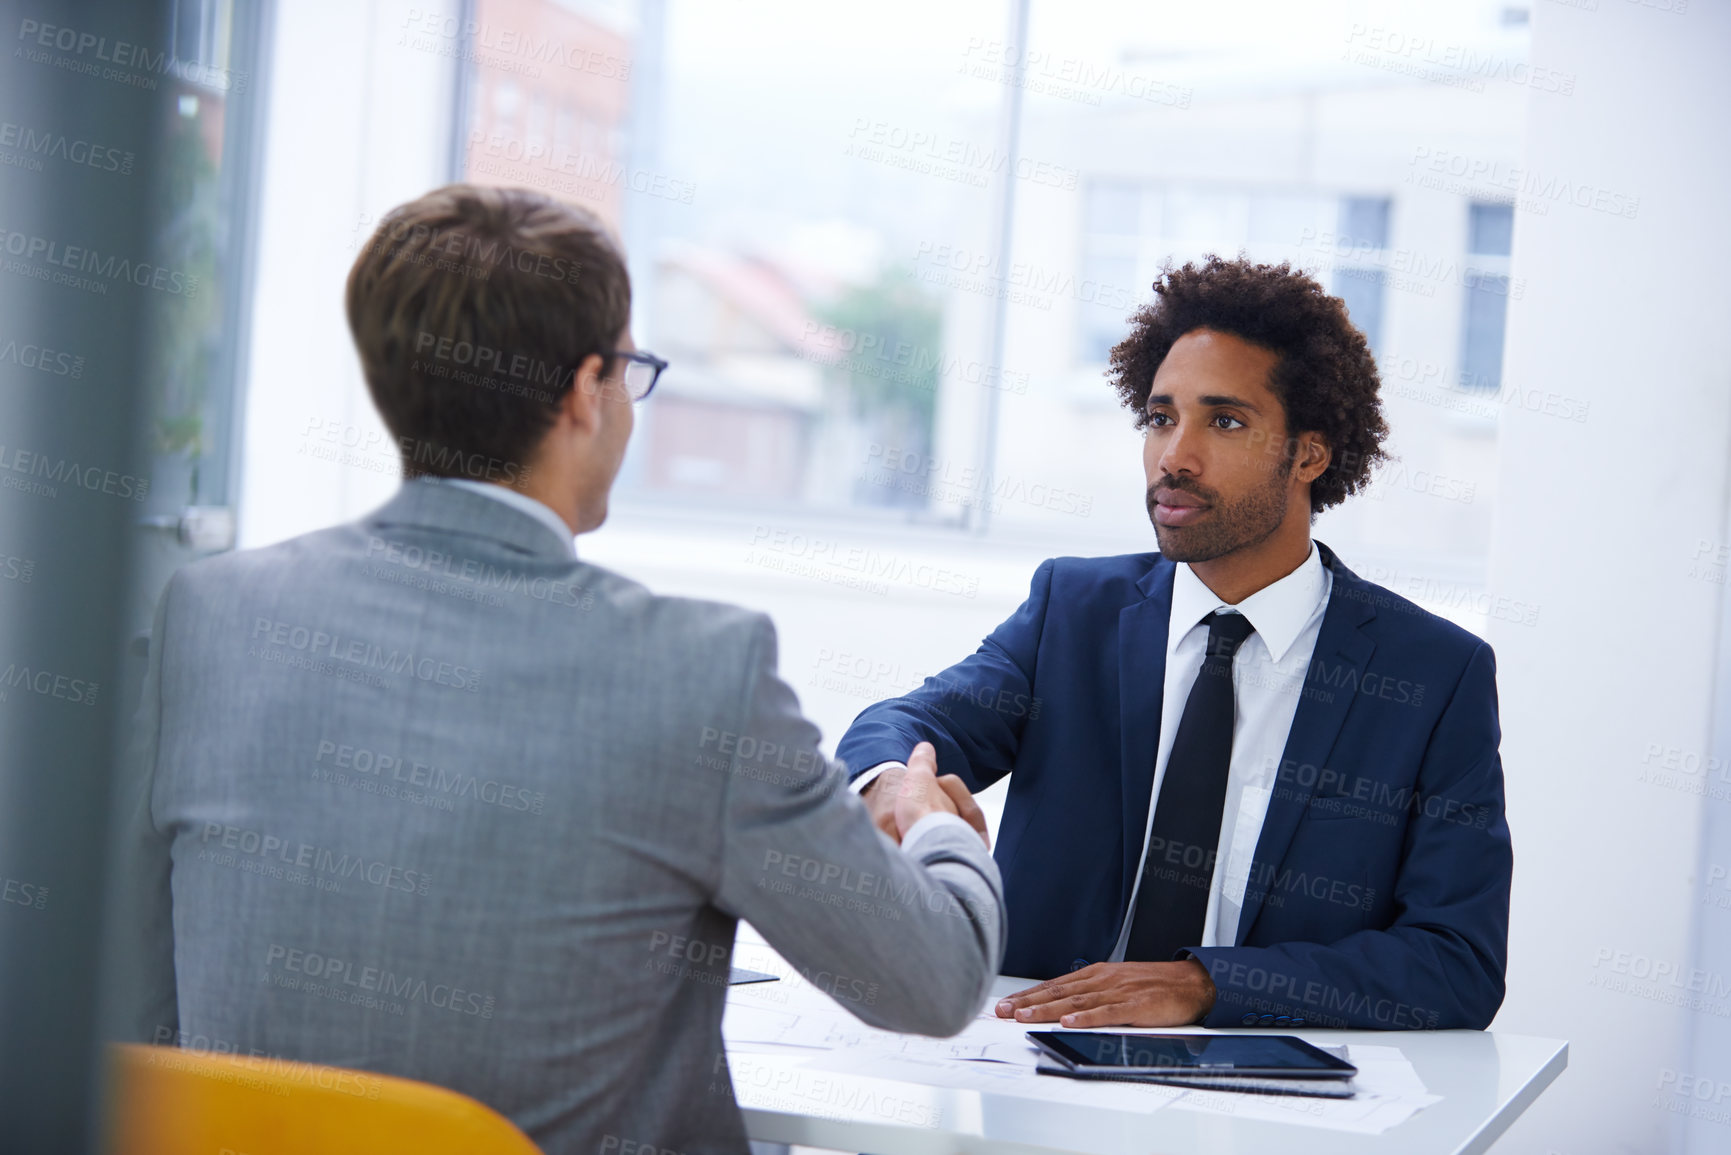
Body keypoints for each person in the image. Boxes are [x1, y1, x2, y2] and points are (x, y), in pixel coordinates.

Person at [105, 184, 1004, 1154]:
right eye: (631, 371)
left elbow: (133, 1002)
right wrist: (927, 827)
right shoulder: (701, 672)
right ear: (585, 390)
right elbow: (935, 982)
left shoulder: (206, 617)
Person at [838, 255, 1510, 1033]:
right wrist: (887, 780)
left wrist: (1209, 985)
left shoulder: (1431, 674)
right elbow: (911, 724)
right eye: (1159, 417)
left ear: (1308, 454)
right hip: (1037, 1052)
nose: (1173, 456)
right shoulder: (1073, 611)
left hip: (1262, 1086)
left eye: (1223, 421)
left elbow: (1457, 961)